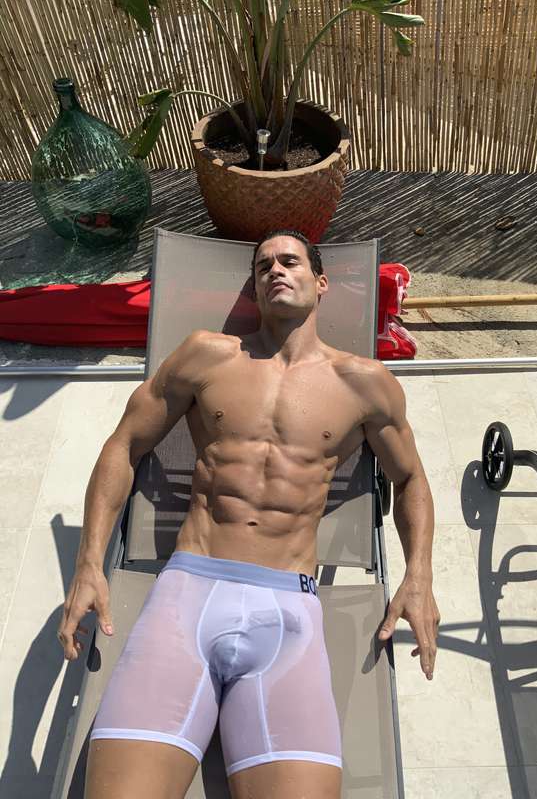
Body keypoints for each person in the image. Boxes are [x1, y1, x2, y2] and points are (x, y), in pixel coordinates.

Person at [58, 229, 440, 799]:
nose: (275, 270)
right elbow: (124, 446)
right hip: (187, 597)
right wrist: (89, 563)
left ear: (320, 282)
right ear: (255, 289)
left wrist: (419, 576)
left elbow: (410, 479)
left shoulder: (364, 382)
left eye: (290, 261)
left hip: (287, 612)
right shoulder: (207, 356)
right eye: (263, 266)